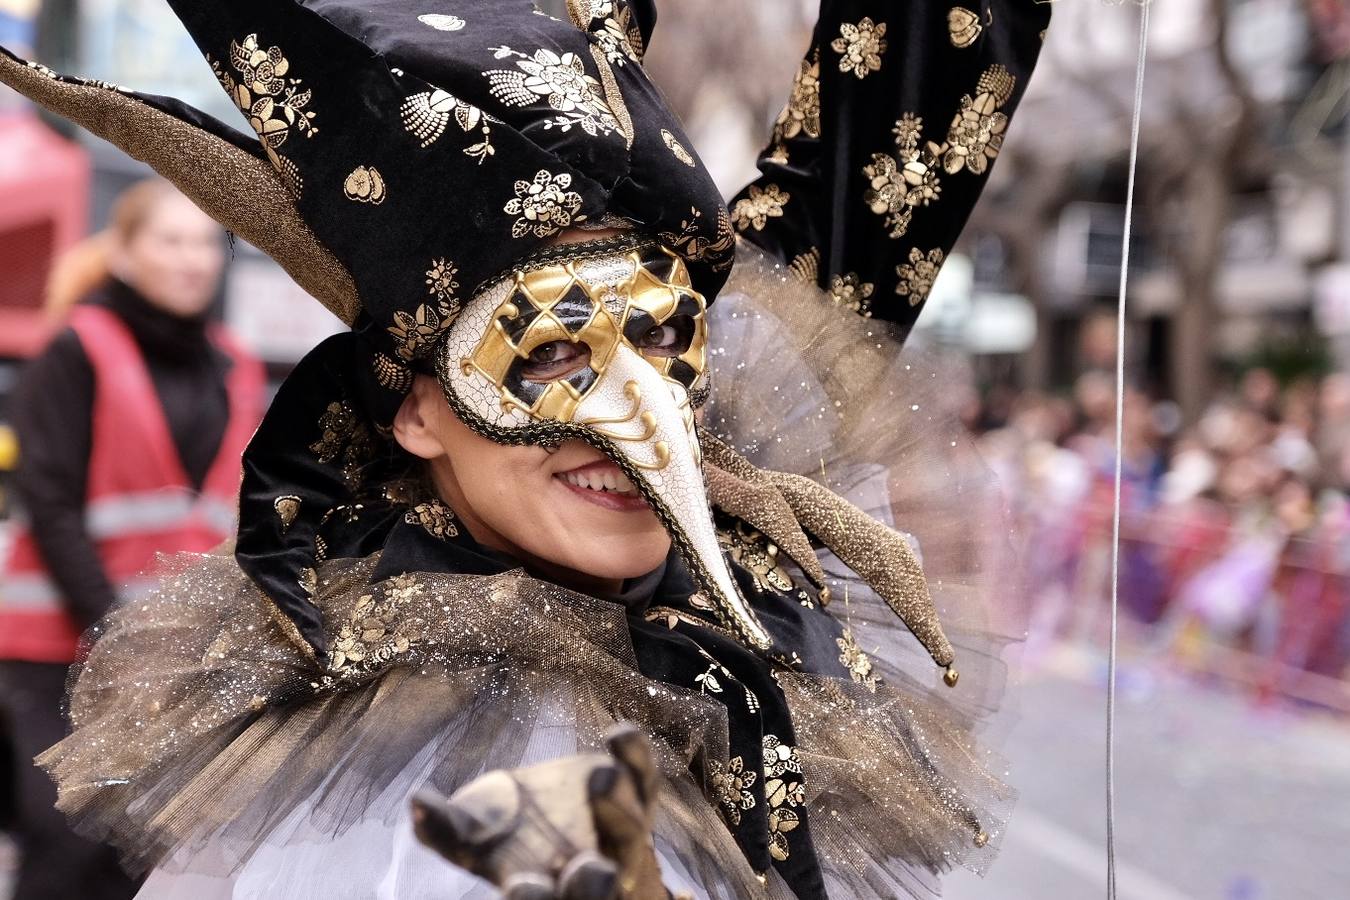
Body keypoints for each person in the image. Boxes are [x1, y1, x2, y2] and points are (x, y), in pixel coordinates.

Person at [0, 1, 1049, 896]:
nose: (635, 420)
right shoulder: (376, 779)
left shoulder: (740, 491)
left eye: (661, 334)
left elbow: (905, 113)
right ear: (413, 410)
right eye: (550, 350)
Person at [0, 178, 265, 899]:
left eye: (208, 243)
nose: (193, 260)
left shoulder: (234, 365)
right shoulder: (78, 349)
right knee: (67, 843)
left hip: (170, 660)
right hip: (59, 650)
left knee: (141, 854)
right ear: (123, 252)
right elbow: (50, 503)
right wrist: (116, 634)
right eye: (172, 240)